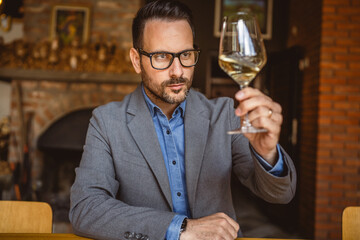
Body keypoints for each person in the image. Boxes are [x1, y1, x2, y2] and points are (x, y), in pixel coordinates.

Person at [69, 1, 296, 240]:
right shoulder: (106, 122)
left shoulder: (226, 115)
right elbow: (86, 209)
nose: (178, 71)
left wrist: (268, 154)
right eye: (161, 56)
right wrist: (180, 228)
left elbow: (280, 195)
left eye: (186, 54)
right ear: (137, 60)